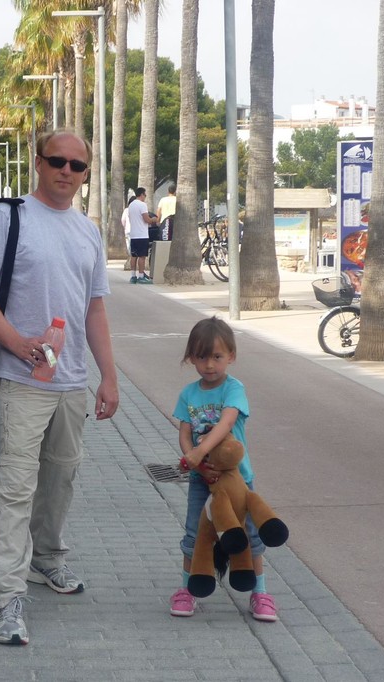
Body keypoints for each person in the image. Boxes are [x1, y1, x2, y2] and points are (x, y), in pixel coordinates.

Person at [0, 129, 120, 646]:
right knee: (15, 488)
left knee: (61, 480)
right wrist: (16, 341)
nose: (66, 172)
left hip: (72, 382)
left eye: (77, 165)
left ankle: (47, 558)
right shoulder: (7, 218)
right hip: (21, 381)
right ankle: (6, 594)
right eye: (57, 161)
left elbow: (94, 307)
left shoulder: (87, 231)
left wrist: (109, 376)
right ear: (37, 162)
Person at [169, 316, 278, 622]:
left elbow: (227, 422)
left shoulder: (234, 389)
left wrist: (202, 451)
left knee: (251, 536)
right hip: (201, 480)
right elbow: (184, 432)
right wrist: (195, 461)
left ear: (231, 356)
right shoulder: (188, 394)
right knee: (194, 535)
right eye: (202, 357)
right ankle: (186, 591)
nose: (209, 365)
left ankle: (260, 593)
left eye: (217, 357)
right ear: (192, 357)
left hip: (237, 481)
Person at [127, 188, 156, 283]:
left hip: (133, 234)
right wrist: (154, 219)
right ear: (142, 194)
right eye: (145, 194)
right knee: (142, 256)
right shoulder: (142, 205)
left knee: (134, 256)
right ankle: (141, 276)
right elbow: (146, 219)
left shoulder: (131, 205)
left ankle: (133, 276)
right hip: (142, 235)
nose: (145, 196)